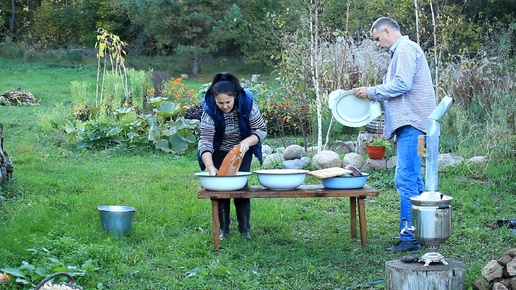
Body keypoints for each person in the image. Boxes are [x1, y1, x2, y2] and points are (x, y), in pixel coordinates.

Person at [353, 17, 436, 253]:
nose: (378, 44)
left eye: (378, 39)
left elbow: (402, 84)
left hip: (413, 124)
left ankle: (409, 237)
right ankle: (423, 232)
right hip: (414, 124)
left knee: (405, 179)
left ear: (388, 31)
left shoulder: (406, 49)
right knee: (415, 180)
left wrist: (371, 92)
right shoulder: (401, 51)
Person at [198, 72, 267, 239]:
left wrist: (244, 144)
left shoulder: (248, 103)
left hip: (242, 150)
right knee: (220, 189)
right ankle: (223, 230)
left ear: (235, 96)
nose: (224, 106)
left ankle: (245, 230)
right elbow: (205, 141)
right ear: (214, 99)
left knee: (240, 189)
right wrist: (211, 167)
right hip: (219, 149)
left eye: (228, 102)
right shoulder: (209, 109)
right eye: (220, 103)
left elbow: (261, 130)